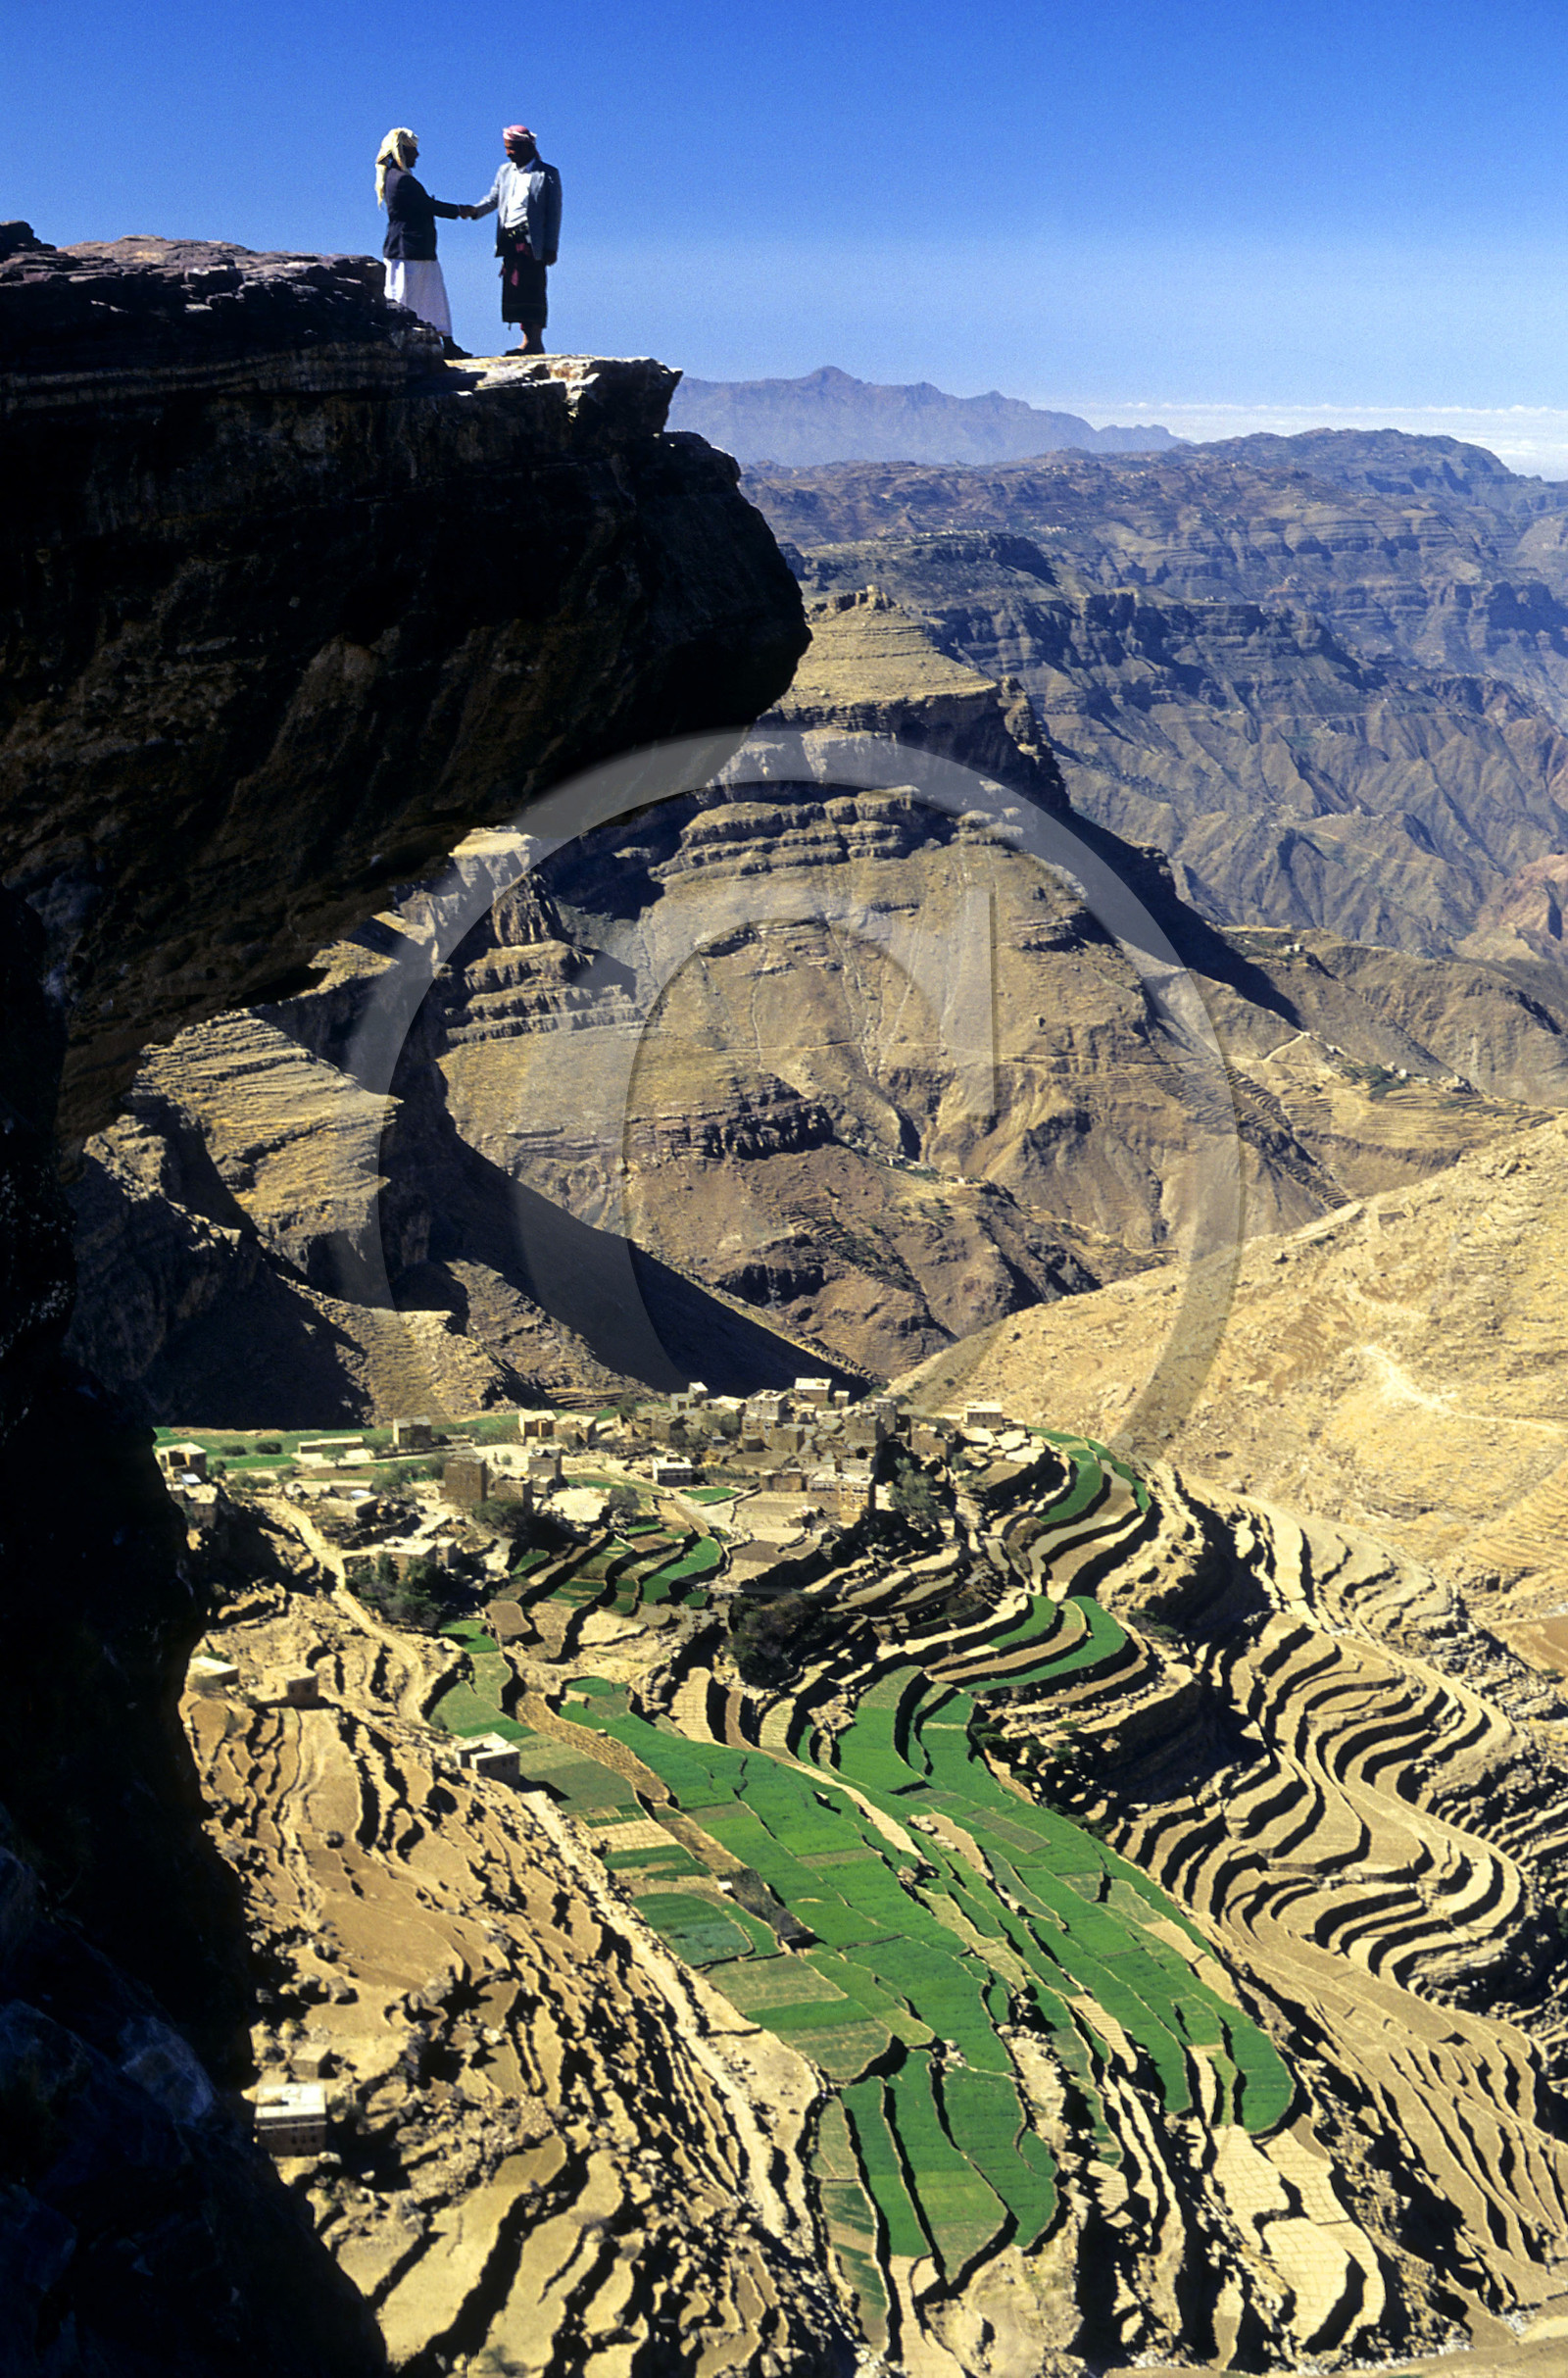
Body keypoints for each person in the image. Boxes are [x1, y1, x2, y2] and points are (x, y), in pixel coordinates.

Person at [466, 124, 562, 356]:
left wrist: (551, 247)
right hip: (510, 239)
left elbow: (554, 212)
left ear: (526, 147)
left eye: (512, 148)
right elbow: (493, 199)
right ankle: (525, 340)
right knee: (514, 287)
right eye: (507, 149)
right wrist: (473, 211)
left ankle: (534, 342)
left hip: (533, 241)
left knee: (534, 287)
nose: (509, 153)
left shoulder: (547, 173)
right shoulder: (504, 172)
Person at [375, 127, 466, 352]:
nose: (418, 155)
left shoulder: (393, 178)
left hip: (408, 249)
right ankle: (444, 343)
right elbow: (428, 206)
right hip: (409, 250)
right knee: (418, 297)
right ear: (403, 151)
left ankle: (440, 342)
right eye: (413, 150)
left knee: (417, 296)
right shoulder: (403, 180)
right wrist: (460, 210)